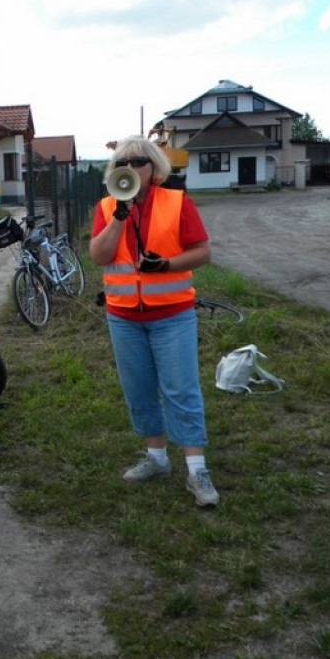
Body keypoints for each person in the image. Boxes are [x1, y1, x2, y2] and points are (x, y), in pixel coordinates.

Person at [89, 135, 218, 508]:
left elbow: (202, 253)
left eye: (139, 161)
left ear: (153, 167)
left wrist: (166, 265)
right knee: (140, 390)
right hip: (124, 317)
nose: (131, 167)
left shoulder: (177, 202)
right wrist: (118, 217)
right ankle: (157, 459)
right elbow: (99, 255)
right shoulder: (107, 205)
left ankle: (197, 470)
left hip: (172, 315)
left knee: (181, 389)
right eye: (122, 162)